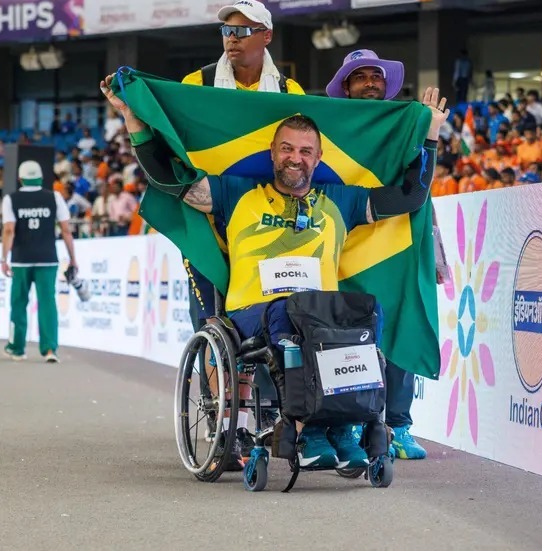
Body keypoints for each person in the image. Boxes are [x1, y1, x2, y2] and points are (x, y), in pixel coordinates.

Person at [101, 72, 447, 470]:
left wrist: (431, 135)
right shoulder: (235, 192)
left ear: (318, 158)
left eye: (304, 151)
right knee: (292, 316)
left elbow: (410, 195)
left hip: (316, 311)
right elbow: (169, 179)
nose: (294, 158)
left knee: (366, 312)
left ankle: (354, 426)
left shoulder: (341, 200)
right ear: (272, 152)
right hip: (257, 311)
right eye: (286, 148)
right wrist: (133, 120)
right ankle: (311, 429)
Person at [181, 0, 306, 461]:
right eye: (226, 32)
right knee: (215, 325)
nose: (232, 40)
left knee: (273, 321)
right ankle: (224, 420)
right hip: (209, 226)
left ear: (266, 36)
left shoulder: (289, 90)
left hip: (268, 229)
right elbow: (169, 134)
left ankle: (275, 416)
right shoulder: (195, 84)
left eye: (242, 31)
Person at [325, 49, 444, 460]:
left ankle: (398, 425)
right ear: (345, 86)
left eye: (376, 76)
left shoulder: (401, 123)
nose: (371, 82)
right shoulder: (327, 125)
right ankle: (352, 421)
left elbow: (418, 182)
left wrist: (428, 132)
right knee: (347, 342)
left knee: (398, 333)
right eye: (360, 77)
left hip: (394, 241)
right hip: (344, 244)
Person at [2, 161, 77, 363]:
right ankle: (50, 349)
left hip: (21, 259)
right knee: (47, 303)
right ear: (42, 178)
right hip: (47, 258)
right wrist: (73, 258)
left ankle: (17, 348)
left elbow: (9, 230)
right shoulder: (54, 197)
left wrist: (4, 258)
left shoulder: (11, 199)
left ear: (20, 178)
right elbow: (66, 230)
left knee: (18, 303)